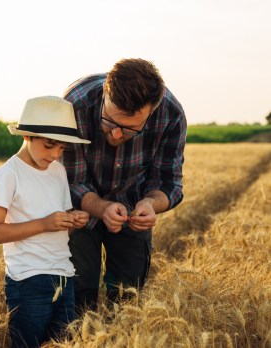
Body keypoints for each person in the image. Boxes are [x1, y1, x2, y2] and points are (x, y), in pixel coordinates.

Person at [61, 58, 187, 314]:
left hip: (133, 211)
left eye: (130, 129)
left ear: (151, 111)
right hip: (80, 210)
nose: (116, 135)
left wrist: (150, 203)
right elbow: (71, 180)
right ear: (105, 93)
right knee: (78, 286)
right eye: (110, 121)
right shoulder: (75, 104)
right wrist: (102, 207)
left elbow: (168, 182)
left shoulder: (171, 115)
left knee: (127, 294)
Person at [0, 96, 91, 347]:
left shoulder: (58, 171)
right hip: (28, 280)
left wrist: (74, 219)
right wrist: (44, 223)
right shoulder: (8, 174)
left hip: (64, 274)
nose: (55, 154)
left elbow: (59, 220)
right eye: (49, 145)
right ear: (27, 136)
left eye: (62, 148)